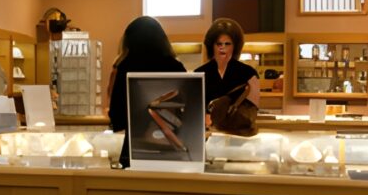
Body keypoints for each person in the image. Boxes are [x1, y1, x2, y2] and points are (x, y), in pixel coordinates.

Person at [108, 16, 185, 163]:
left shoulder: (125, 66)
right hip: (171, 147)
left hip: (134, 149)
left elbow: (116, 115)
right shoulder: (175, 67)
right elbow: (187, 110)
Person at [197, 18, 262, 136]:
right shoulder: (199, 74)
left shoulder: (249, 74)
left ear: (235, 46)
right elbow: (194, 109)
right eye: (218, 44)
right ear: (211, 45)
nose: (222, 47)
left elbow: (252, 111)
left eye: (227, 44)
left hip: (239, 136)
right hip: (206, 135)